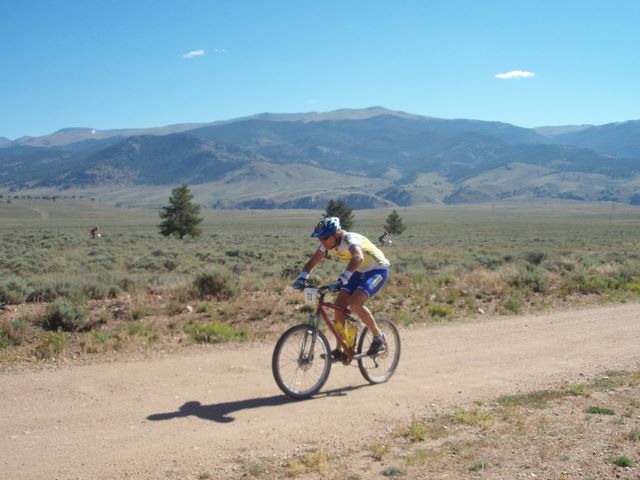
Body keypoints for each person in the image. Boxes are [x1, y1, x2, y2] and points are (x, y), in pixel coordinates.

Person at [292, 217, 390, 357]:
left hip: (377, 269)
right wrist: (302, 277)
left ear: (336, 234)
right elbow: (313, 261)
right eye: (319, 238)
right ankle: (341, 348)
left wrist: (341, 280)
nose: (322, 242)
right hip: (358, 271)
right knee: (338, 306)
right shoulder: (326, 245)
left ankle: (378, 336)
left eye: (325, 238)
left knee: (355, 303)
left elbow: (358, 258)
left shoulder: (349, 239)